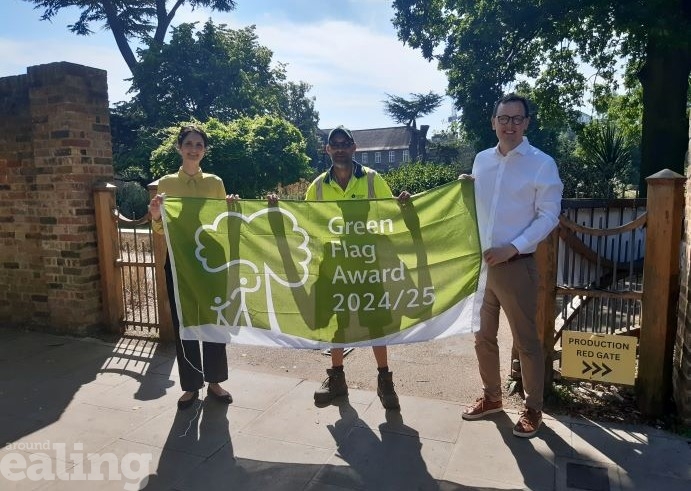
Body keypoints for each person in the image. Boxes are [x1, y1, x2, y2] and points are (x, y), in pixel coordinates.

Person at [270, 126, 410, 410]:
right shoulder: (318, 186)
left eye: (345, 143)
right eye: (335, 144)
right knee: (337, 323)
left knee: (375, 321)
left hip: (366, 263)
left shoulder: (373, 180)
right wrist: (276, 210)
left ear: (354, 147)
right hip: (332, 265)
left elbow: (390, 214)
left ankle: (385, 381)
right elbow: (307, 224)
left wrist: (404, 204)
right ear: (328, 150)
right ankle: (337, 379)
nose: (340, 148)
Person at [460, 94, 563, 437]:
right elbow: (475, 206)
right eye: (503, 118)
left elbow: (548, 216)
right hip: (481, 266)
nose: (510, 125)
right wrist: (462, 190)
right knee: (482, 336)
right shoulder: (481, 161)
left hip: (516, 265)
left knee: (525, 341)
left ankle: (533, 407)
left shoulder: (541, 164)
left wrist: (512, 248)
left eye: (517, 119)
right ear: (493, 122)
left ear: (527, 123)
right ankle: (492, 398)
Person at [149, 125, 238, 410]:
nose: (194, 148)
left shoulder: (215, 182)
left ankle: (214, 381)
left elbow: (222, 221)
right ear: (179, 147)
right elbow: (162, 229)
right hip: (179, 262)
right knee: (184, 323)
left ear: (205, 149)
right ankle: (190, 385)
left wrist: (232, 207)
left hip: (211, 261)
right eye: (189, 143)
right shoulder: (166, 183)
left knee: (213, 322)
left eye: (199, 144)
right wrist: (154, 215)